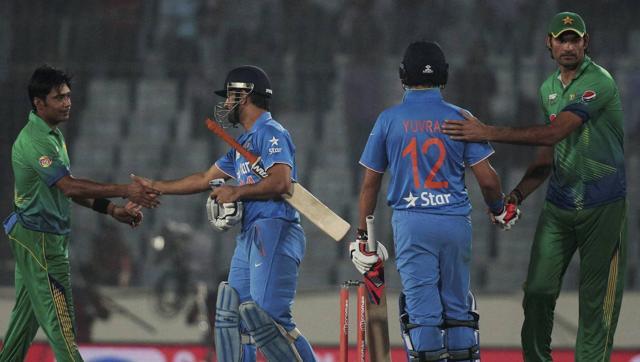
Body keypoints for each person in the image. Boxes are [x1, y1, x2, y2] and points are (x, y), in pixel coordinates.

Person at [442, 12, 627, 362]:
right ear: (549, 43)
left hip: (603, 207)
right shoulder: (548, 90)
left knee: (596, 303)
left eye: (575, 39)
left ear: (586, 43)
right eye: (562, 39)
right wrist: (516, 195)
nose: (568, 46)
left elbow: (557, 132)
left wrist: (487, 132)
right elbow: (548, 154)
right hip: (559, 206)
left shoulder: (599, 82)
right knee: (538, 293)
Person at [133, 65, 317, 361]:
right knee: (234, 317)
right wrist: (155, 186)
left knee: (270, 321)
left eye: (230, 96)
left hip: (274, 229)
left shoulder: (271, 132)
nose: (226, 104)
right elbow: (204, 179)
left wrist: (237, 192)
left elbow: (282, 180)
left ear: (245, 96)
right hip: (251, 234)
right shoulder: (242, 144)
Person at [349, 41, 519, 362]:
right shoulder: (460, 117)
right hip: (455, 223)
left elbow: (370, 184)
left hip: (412, 224)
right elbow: (488, 179)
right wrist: (498, 209)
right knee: (456, 307)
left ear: (402, 75)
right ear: (444, 75)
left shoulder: (389, 120)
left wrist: (362, 238)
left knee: (422, 313)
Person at [0, 65, 159, 362]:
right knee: (62, 329)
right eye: (59, 97)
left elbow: (66, 191)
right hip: (41, 242)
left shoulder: (52, 136)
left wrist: (112, 209)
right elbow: (70, 187)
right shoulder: (35, 140)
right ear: (39, 103)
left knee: (24, 324)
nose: (67, 102)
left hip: (40, 238)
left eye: (68, 96)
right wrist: (126, 190)